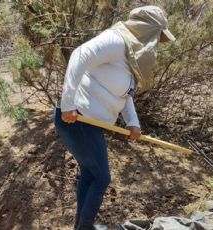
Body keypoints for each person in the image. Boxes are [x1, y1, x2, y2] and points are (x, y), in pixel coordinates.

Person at [53, 5, 176, 230]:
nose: (157, 42)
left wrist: (133, 123)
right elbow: (79, 54)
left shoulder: (131, 54)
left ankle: (81, 227)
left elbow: (125, 94)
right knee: (101, 178)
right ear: (147, 29)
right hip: (78, 119)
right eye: (158, 35)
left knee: (91, 173)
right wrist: (68, 103)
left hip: (89, 124)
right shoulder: (116, 40)